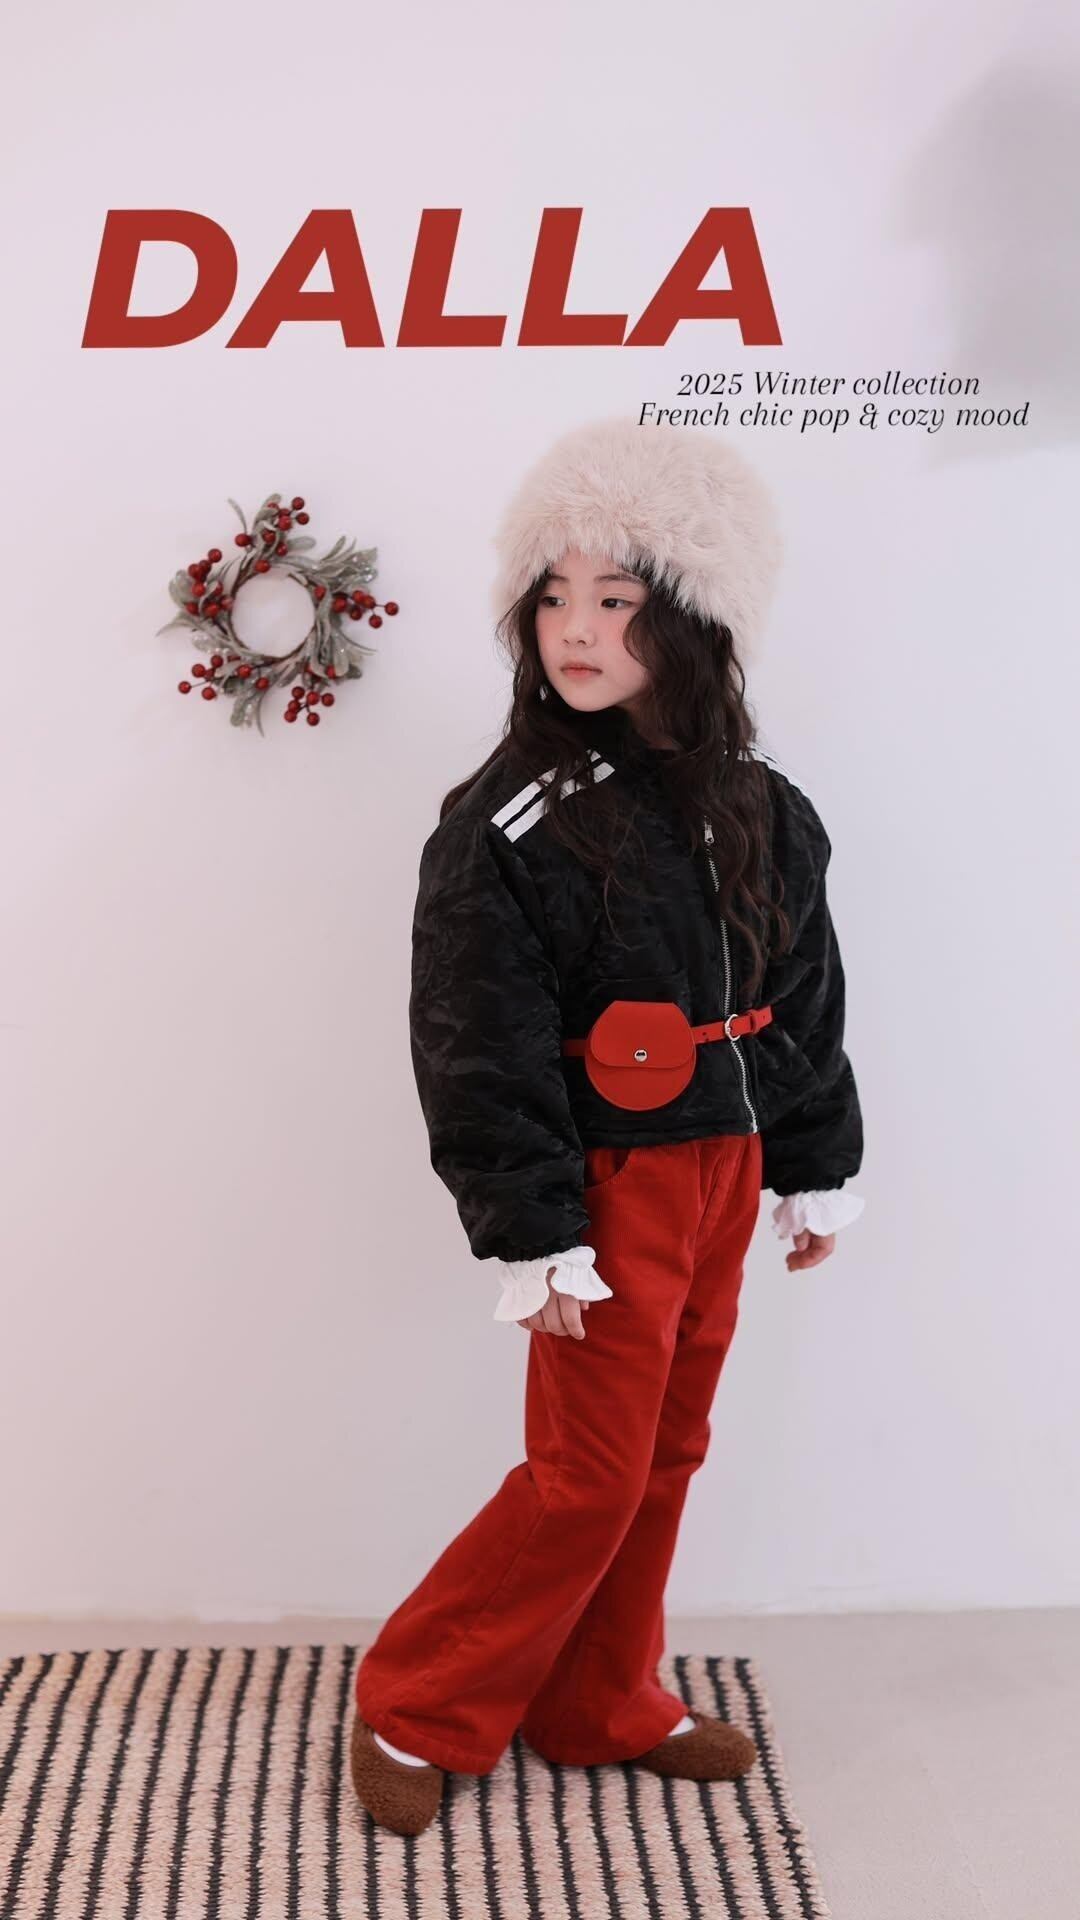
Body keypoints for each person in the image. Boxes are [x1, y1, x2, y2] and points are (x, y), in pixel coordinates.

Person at [350, 415, 865, 1835]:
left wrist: (814, 1163)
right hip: (607, 1179)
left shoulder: (766, 806)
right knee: (588, 1473)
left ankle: (599, 1696)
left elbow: (805, 993)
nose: (576, 630)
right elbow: (475, 1033)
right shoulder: (509, 819)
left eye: (617, 598)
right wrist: (532, 1230)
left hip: (725, 1163)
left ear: (692, 615)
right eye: (554, 597)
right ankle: (416, 1700)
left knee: (669, 1451)